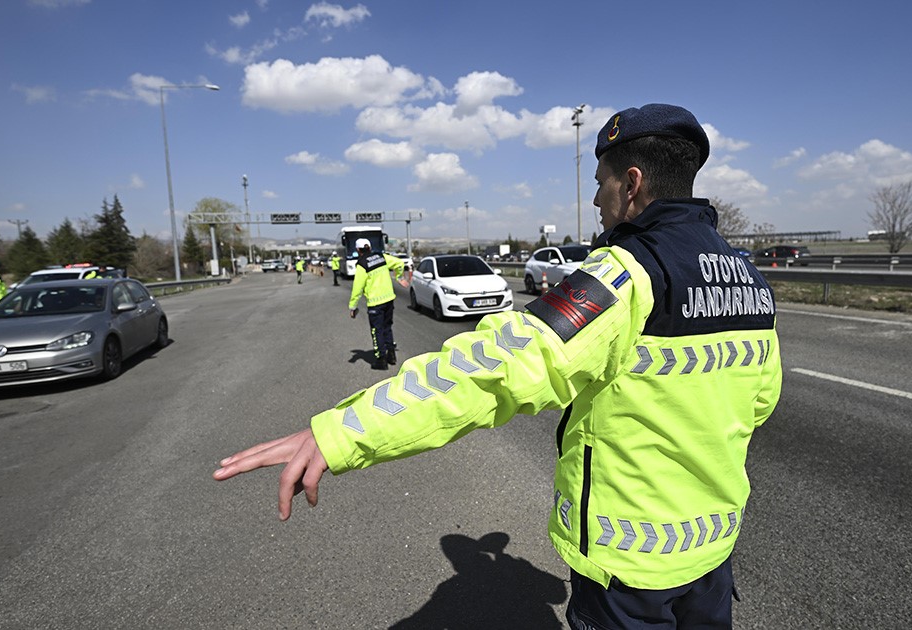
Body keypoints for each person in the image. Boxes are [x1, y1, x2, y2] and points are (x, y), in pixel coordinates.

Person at [213, 104, 783, 629]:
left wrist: (342, 432)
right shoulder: (747, 279)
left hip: (630, 568)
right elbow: (759, 404)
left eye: (600, 183)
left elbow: (493, 370)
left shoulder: (624, 274)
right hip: (713, 553)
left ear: (631, 184)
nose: (595, 201)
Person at [347, 238, 407, 370]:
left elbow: (357, 288)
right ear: (369, 247)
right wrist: (399, 277)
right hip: (389, 299)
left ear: (358, 250)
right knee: (387, 327)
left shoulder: (362, 264)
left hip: (375, 303)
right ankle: (391, 356)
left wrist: (353, 306)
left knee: (377, 331)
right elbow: (399, 263)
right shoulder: (381, 257)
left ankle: (381, 360)